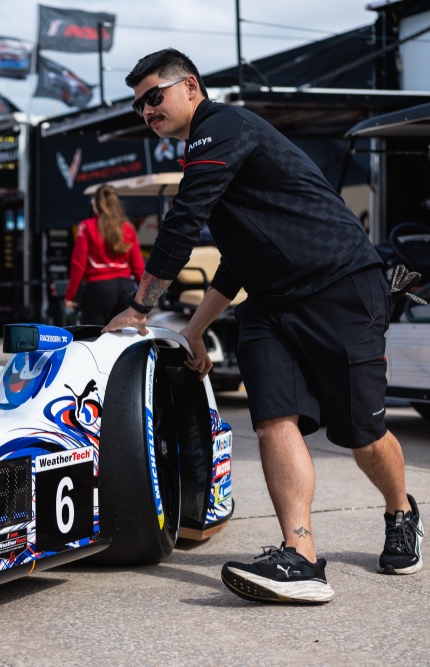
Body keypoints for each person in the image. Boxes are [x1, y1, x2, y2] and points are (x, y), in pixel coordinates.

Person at [103, 48, 423, 604]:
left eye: (154, 96)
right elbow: (237, 259)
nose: (147, 110)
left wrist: (139, 307)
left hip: (340, 286)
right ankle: (300, 557)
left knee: (362, 433)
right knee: (275, 417)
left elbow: (183, 223)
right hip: (272, 304)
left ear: (191, 87)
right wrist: (196, 329)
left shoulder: (222, 126)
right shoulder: (209, 151)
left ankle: (401, 511)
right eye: (138, 106)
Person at [64, 185, 145, 325]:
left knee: (94, 336)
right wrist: (145, 297)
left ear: (96, 205)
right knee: (122, 337)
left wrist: (70, 296)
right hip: (126, 289)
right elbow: (138, 267)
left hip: (98, 289)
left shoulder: (86, 226)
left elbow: (78, 264)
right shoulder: (128, 227)